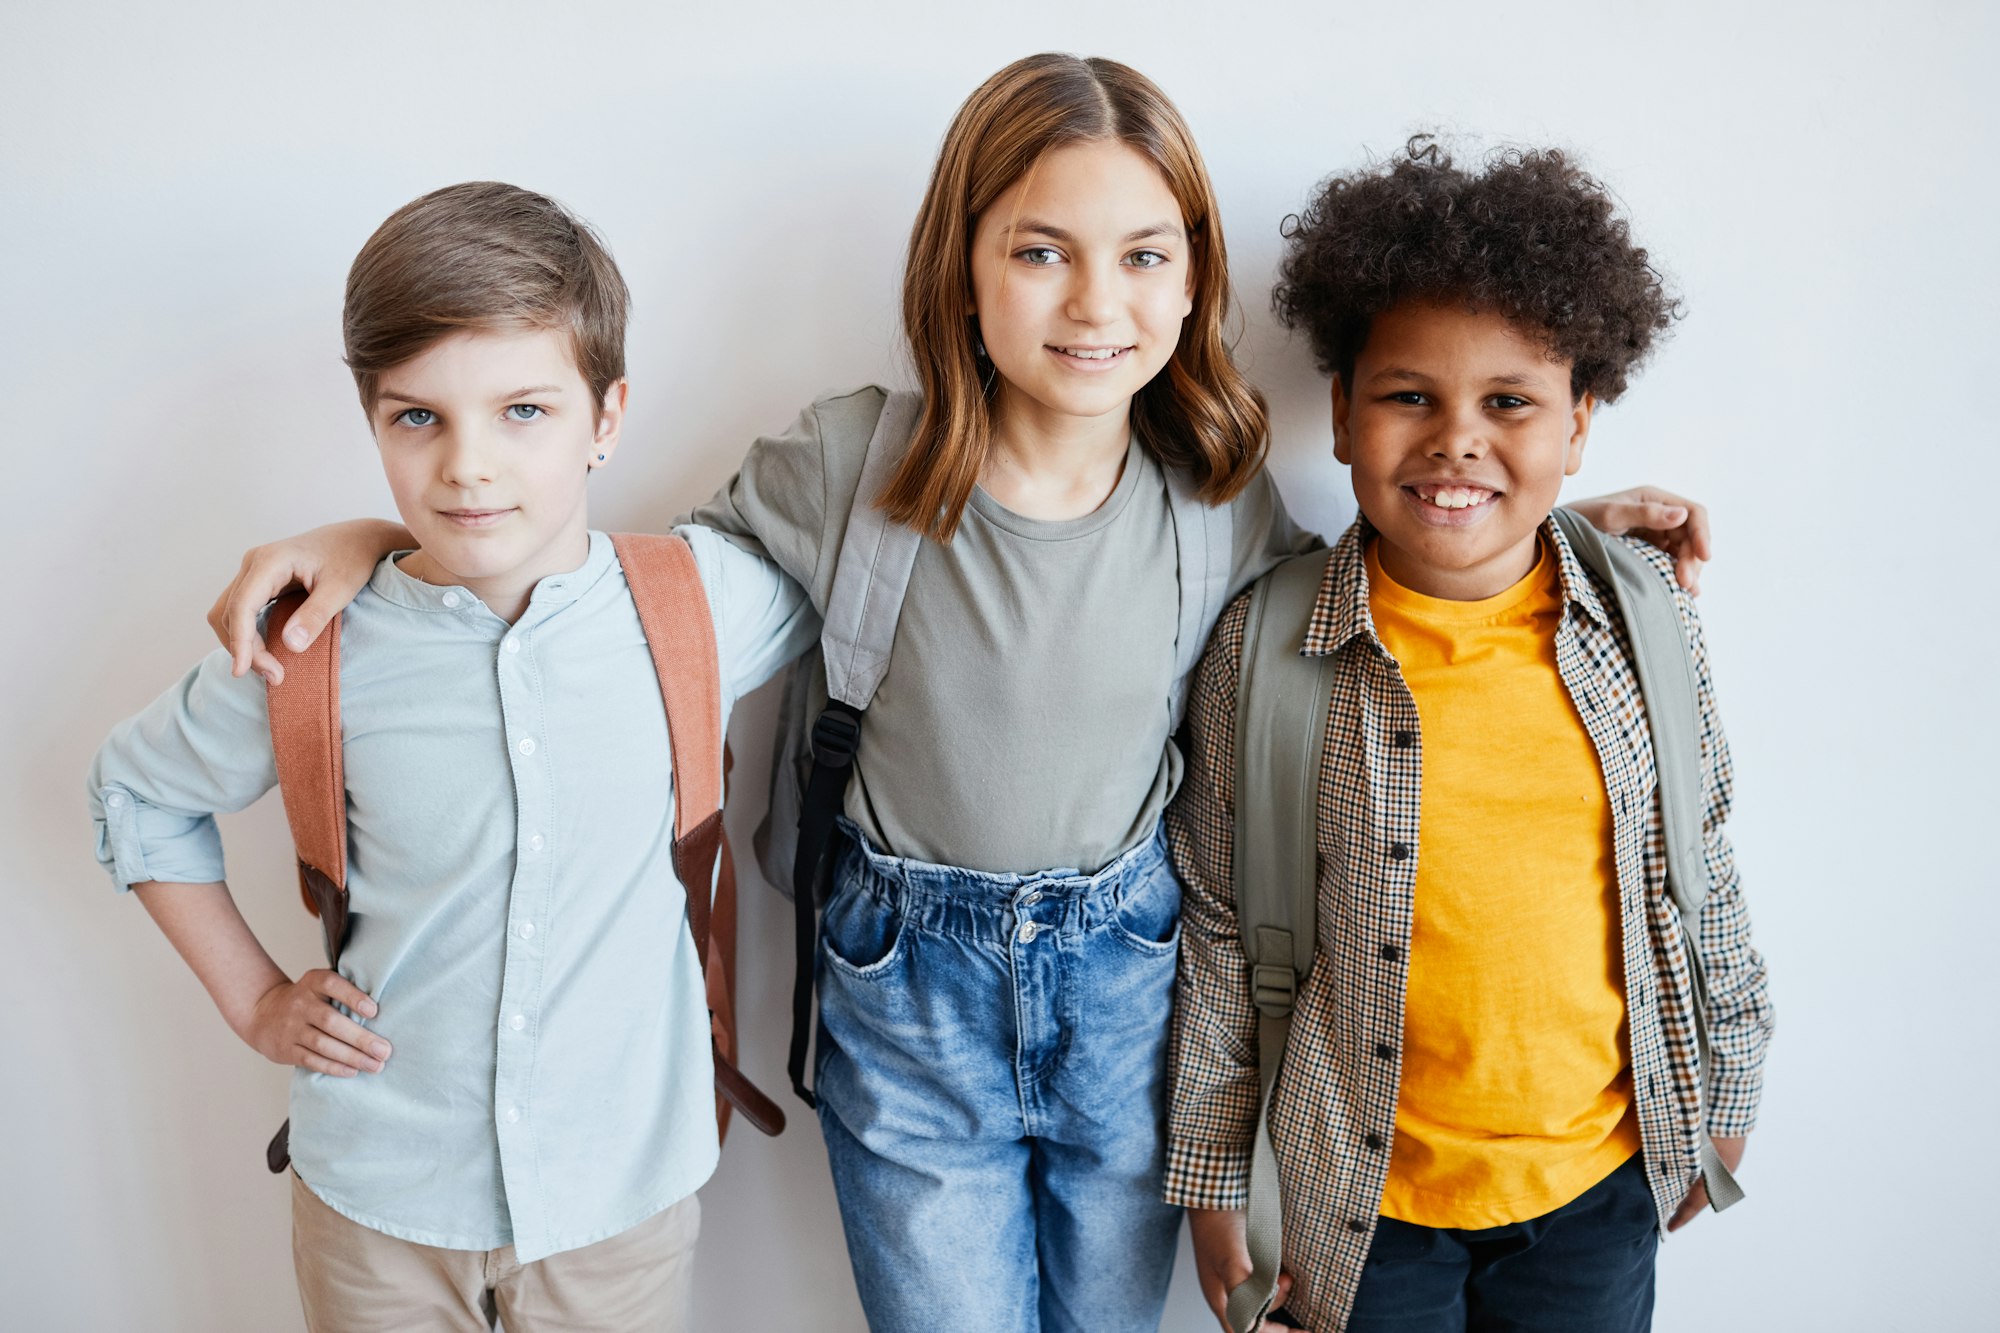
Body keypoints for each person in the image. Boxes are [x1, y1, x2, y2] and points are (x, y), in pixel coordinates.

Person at [200, 60, 1710, 1333]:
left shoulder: (1215, 504)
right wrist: (383, 542)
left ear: (1192, 285)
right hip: (904, 1006)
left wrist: (1574, 534)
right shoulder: (855, 469)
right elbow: (601, 594)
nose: (1093, 301)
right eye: (1040, 250)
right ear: (962, 267)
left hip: (1128, 997)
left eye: (1142, 255)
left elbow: (1401, 568)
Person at [86, 181, 813, 1331]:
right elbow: (133, 790)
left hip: (615, 1205)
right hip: (379, 1204)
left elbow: (866, 560)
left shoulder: (697, 601)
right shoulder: (313, 647)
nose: (468, 466)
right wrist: (258, 1001)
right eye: (416, 417)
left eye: (524, 411)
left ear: (606, 416)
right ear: (371, 419)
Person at [1168, 139, 1774, 1333]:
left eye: (1508, 402)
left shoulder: (1642, 622)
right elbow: (1221, 928)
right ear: (1339, 413)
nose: (1456, 439)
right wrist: (1211, 1180)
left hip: (1596, 1185)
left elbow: (1698, 861)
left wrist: (1727, 1082)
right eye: (1408, 396)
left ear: (1578, 422)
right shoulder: (1265, 653)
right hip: (1357, 1211)